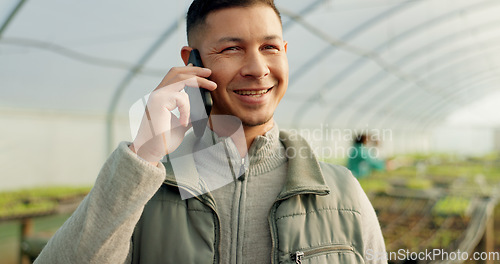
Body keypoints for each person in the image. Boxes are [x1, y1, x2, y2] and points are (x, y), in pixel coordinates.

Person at [35, 0, 387, 263]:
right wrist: (143, 155)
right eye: (232, 49)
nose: (257, 68)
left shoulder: (343, 194)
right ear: (193, 62)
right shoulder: (142, 191)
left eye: (269, 47)